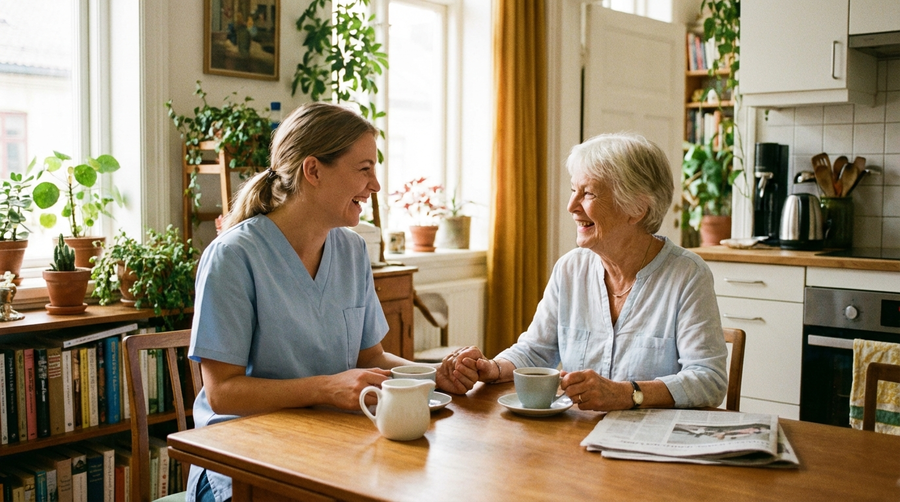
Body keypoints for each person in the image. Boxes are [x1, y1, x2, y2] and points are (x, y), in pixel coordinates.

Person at [187, 102, 454, 502]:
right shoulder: (234, 257)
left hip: (331, 450)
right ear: (313, 171)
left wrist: (433, 374)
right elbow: (224, 391)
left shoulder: (351, 249)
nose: (376, 185)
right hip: (243, 466)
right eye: (364, 169)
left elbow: (372, 360)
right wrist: (326, 389)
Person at [439, 132, 728, 410]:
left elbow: (708, 380)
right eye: (573, 190)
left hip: (651, 447)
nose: (571, 206)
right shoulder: (570, 269)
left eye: (588, 193)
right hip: (577, 438)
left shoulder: (687, 276)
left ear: (636, 209)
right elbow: (536, 351)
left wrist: (627, 394)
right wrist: (492, 368)